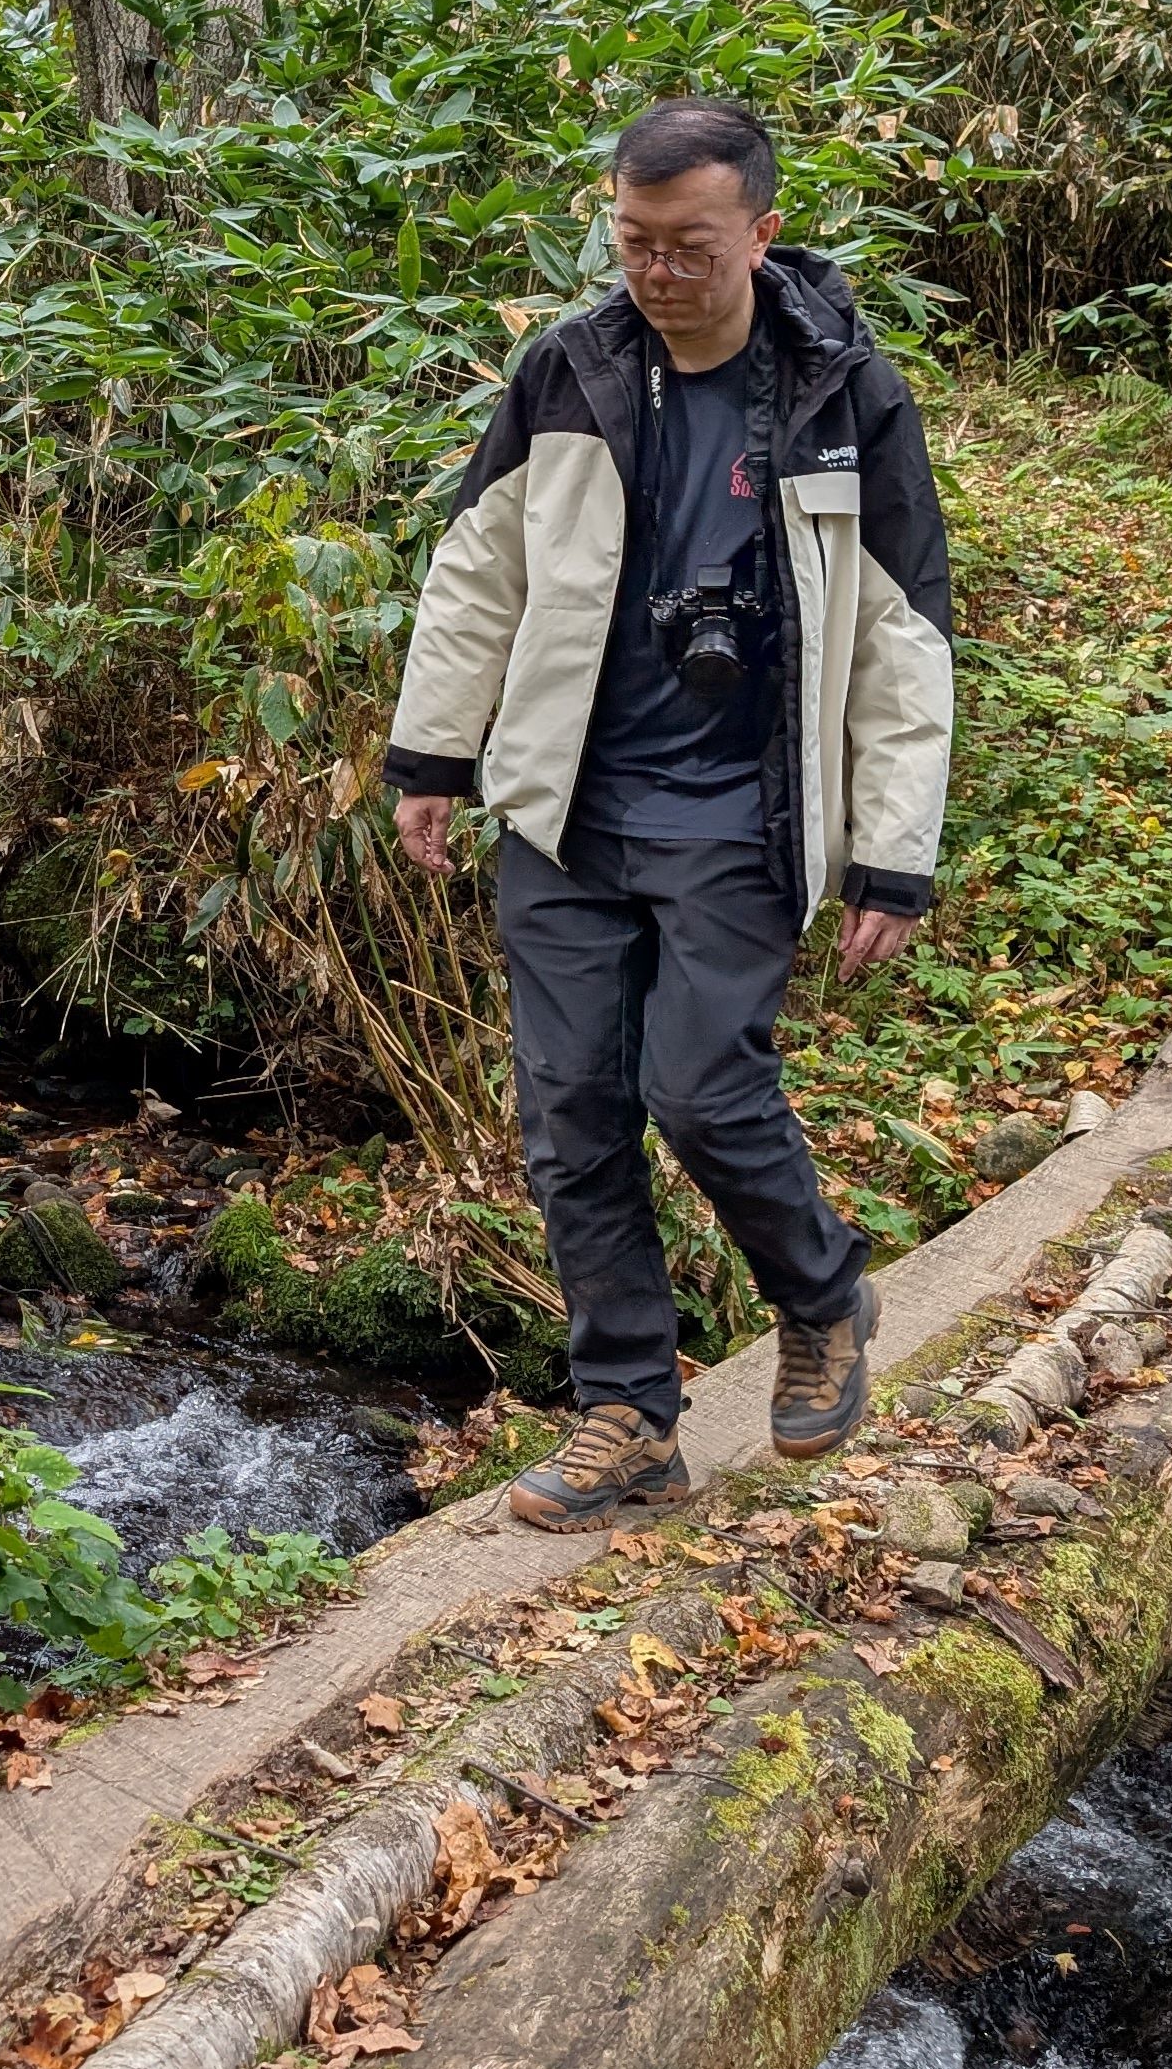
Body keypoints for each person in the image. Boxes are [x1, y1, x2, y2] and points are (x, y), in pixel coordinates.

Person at [385, 98, 955, 1527]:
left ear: (758, 233)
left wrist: (895, 848)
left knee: (699, 1088)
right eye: (633, 242)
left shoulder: (844, 390)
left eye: (688, 245)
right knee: (571, 1118)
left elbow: (900, 631)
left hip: (741, 811)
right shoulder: (567, 370)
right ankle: (629, 1415)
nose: (656, 271)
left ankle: (823, 1299)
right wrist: (431, 760)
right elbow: (477, 572)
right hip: (569, 803)